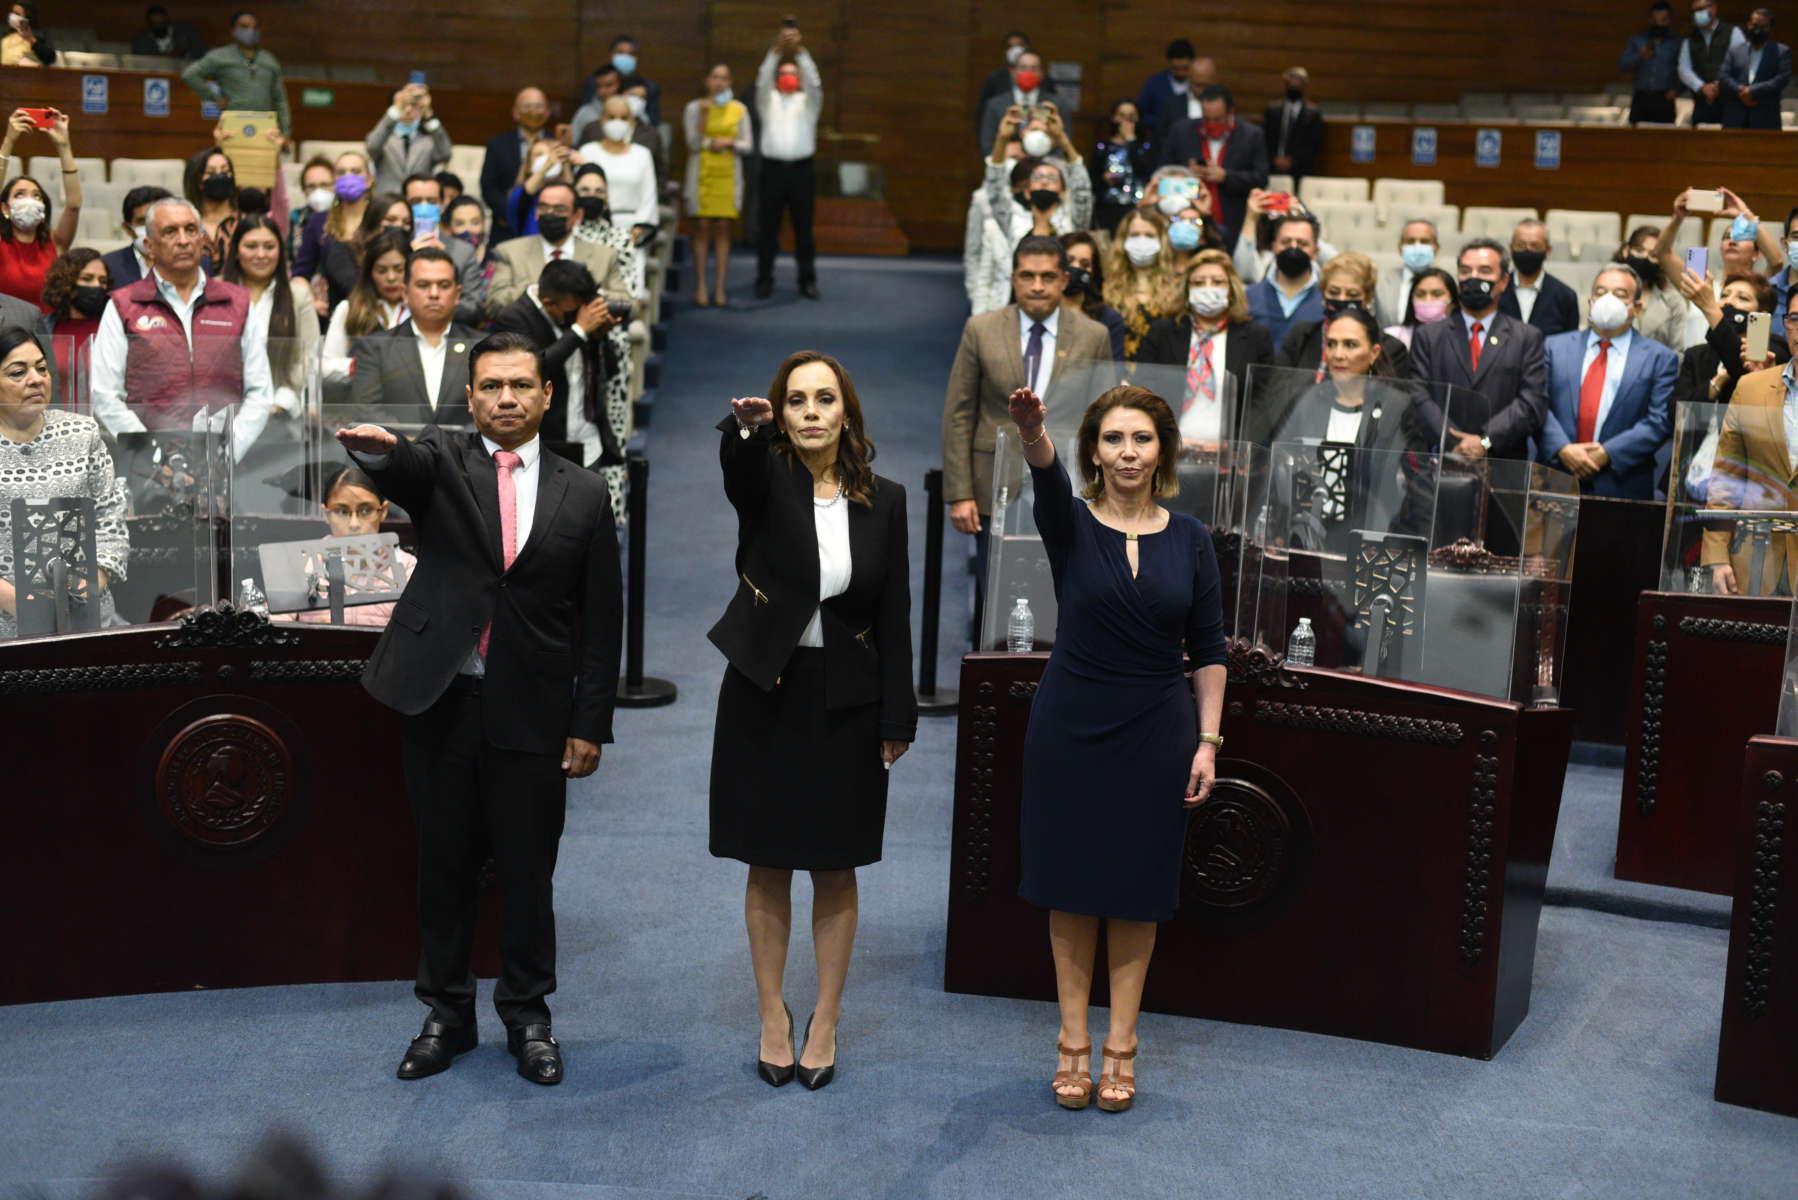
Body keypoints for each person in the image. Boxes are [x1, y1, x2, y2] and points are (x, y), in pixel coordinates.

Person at [335, 330, 624, 1087]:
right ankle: (447, 1015)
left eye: (520, 386)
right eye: (491, 386)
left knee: (530, 872)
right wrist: (376, 450)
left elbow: (602, 622)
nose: (505, 398)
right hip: (442, 697)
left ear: (546, 395)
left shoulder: (586, 491)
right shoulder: (442, 461)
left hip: (533, 707)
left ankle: (528, 1015)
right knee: (444, 866)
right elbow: (397, 466)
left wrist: (590, 723)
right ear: (471, 397)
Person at [1002, 379, 1227, 1114]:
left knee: (1136, 889)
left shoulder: (1192, 538)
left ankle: (1122, 1045)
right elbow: (1043, 471)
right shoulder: (1069, 523)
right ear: (1093, 451)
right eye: (1112, 439)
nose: (1127, 453)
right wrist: (1034, 430)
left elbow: (1210, 648)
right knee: (1069, 886)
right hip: (1071, 725)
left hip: (1157, 729)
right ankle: (1071, 1041)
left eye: (1141, 439)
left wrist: (1208, 741)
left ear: (1162, 450)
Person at [709, 350, 916, 1092]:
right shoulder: (766, 479)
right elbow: (737, 472)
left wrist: (900, 711)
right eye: (795, 401)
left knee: (836, 863)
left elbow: (895, 612)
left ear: (845, 412)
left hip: (847, 699)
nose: (809, 413)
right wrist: (742, 432)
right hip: (765, 688)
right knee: (767, 861)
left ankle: (825, 1018)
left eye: (823, 399)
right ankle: (772, 1015)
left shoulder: (886, 499)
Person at [943, 236, 1116, 638]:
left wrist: (1105, 495)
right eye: (1027, 275)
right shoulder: (981, 329)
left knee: (1065, 595)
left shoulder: (1093, 335)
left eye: (1047, 276)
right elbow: (959, 413)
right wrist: (960, 493)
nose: (1037, 284)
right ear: (1013, 278)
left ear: (1063, 280)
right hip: (994, 488)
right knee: (996, 597)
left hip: (1070, 487)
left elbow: (1105, 423)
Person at [90, 197, 275, 463]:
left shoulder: (237, 302)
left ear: (202, 239)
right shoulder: (123, 304)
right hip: (147, 465)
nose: (183, 240)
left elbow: (259, 392)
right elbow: (104, 393)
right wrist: (152, 454)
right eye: (170, 231)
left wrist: (228, 449)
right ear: (149, 246)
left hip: (222, 461)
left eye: (190, 230)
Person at [0, 327, 127, 640]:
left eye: (42, 368)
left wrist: (90, 584)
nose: (36, 379)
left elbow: (111, 517)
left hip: (82, 622)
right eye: (18, 372)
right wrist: (15, 601)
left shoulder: (82, 433)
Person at [1537, 265, 1679, 498]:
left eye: (1620, 294)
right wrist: (1563, 448)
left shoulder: (1660, 358)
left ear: (1638, 307)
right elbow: (1537, 405)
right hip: (1556, 477)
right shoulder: (1553, 347)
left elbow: (1659, 420)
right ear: (1590, 301)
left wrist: (1607, 453)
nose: (1608, 300)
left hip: (1623, 483)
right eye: (1600, 292)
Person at [1406, 238, 1549, 462]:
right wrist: (1454, 442)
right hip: (1441, 461)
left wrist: (1484, 441)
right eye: (1465, 271)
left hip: (1503, 464)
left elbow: (1531, 402)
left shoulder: (1526, 337)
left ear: (1503, 281)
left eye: (1484, 271)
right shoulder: (1429, 336)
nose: (1473, 277)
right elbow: (1417, 395)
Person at [1702, 288, 1798, 592]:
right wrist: (1716, 555)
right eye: (1795, 318)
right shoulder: (1751, 387)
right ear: (1785, 324)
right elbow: (1726, 479)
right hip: (1757, 560)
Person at [488, 259, 624, 468]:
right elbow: (531, 370)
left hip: (589, 441)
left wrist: (599, 336)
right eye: (571, 312)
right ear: (549, 302)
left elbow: (612, 371)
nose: (578, 316)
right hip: (543, 447)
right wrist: (579, 331)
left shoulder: (578, 316)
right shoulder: (513, 318)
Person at [1134, 248, 1277, 444]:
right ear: (1186, 289)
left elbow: (1262, 404)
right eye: (1198, 283)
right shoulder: (1162, 332)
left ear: (1231, 288)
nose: (1208, 288)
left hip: (1228, 457)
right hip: (1168, 451)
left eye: (1217, 282)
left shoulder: (1256, 337)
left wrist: (1232, 447)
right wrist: (1171, 441)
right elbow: (1142, 392)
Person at [349, 247, 479, 427]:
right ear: (405, 293)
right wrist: (414, 446)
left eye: (443, 285)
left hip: (464, 453)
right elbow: (367, 412)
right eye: (423, 285)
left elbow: (488, 410)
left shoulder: (481, 347)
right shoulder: (375, 347)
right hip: (397, 452)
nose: (434, 294)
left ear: (457, 294)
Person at [289, 465, 417, 627]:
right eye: (342, 512)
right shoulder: (301, 566)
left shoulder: (406, 567)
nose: (354, 524)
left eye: (366, 510)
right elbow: (278, 630)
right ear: (326, 514)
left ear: (382, 511)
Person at [486, 181, 635, 317]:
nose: (550, 214)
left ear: (577, 215)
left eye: (559, 209)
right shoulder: (510, 252)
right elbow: (493, 305)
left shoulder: (604, 255)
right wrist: (541, 290)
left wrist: (587, 295)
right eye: (543, 208)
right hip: (527, 340)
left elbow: (629, 306)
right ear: (536, 213)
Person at [754, 23, 824, 301]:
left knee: (804, 228)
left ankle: (807, 280)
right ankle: (763, 278)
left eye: (792, 73)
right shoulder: (766, 101)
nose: (787, 77)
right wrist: (775, 52)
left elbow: (815, 82)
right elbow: (761, 80)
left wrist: (800, 52)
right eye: (783, 73)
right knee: (767, 229)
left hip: (801, 171)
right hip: (771, 170)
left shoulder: (809, 103)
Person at [1654, 186, 1769, 346]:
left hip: (1741, 366)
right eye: (1726, 237)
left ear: (1758, 253)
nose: (1732, 241)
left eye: (1741, 236)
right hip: (1695, 366)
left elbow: (1776, 260)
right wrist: (1678, 218)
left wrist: (1746, 214)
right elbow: (1662, 253)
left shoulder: (1764, 287)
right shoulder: (1699, 283)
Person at [1158, 85, 1268, 249]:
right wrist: (1186, 174)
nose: (1211, 124)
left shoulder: (1251, 135)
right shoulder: (1181, 131)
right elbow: (1162, 172)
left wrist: (1226, 177)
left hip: (1233, 219)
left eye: (1217, 119)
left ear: (1231, 112)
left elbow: (1261, 179)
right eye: (1206, 119)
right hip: (1187, 220)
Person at [1274, 251, 1410, 381]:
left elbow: (1392, 398)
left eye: (1352, 294)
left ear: (1368, 298)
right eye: (1334, 292)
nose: (1342, 299)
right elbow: (1278, 390)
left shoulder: (1391, 348)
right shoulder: (1301, 336)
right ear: (1323, 293)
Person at [969, 156, 1079, 316]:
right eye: (1038, 177)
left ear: (1063, 192)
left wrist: (1065, 145)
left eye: (1051, 178)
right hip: (1007, 310)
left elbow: (1083, 194)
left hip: (1059, 314)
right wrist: (977, 317)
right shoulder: (1010, 226)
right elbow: (995, 194)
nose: (1044, 182)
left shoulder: (1071, 228)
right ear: (1026, 191)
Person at [1673, 267, 1788, 413]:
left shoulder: (1776, 348)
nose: (1729, 302)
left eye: (1743, 298)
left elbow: (1742, 365)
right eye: (1724, 295)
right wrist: (1718, 382)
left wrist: (1709, 307)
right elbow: (1676, 413)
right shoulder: (1696, 355)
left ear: (1762, 315)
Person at [0, 108, 81, 310]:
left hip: (47, 333)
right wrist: (9, 141)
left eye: (36, 196)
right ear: (5, 209)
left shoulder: (56, 242)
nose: (30, 200)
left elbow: (73, 205)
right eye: (20, 194)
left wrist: (64, 146)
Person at [685, 66, 751, 308]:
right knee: (702, 227)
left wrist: (730, 142)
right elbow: (692, 142)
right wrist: (704, 118)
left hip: (728, 174)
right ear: (707, 80)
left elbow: (748, 145)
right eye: (714, 77)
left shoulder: (739, 109)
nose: (719, 82)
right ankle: (701, 285)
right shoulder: (694, 107)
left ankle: (720, 287)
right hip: (702, 173)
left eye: (724, 78)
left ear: (730, 81)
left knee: (723, 227)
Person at [181, 11, 292, 139]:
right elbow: (190, 75)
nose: (250, 31)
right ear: (233, 31)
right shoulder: (220, 56)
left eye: (254, 27)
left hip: (265, 127)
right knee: (231, 159)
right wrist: (215, 98)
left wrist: (285, 133)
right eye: (244, 27)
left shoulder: (269, 60)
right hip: (233, 125)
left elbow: (280, 100)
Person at [320, 226, 410, 383]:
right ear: (369, 273)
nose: (391, 277)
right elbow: (325, 367)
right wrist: (365, 365)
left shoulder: (421, 310)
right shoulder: (349, 309)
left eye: (399, 269)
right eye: (381, 270)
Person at [293, 150, 373, 308]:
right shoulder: (318, 221)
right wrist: (309, 300)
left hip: (377, 306)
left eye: (356, 171)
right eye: (341, 172)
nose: (348, 177)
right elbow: (300, 274)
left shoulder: (381, 216)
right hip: (335, 311)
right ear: (335, 181)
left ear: (369, 180)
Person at [1102, 209, 1185, 360]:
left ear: (1162, 241)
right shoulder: (1105, 287)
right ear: (1123, 240)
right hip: (1113, 374)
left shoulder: (1178, 289)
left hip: (1158, 375)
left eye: (1150, 235)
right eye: (1134, 235)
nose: (1142, 241)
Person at [577, 96, 660, 245]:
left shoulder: (642, 154)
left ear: (632, 122)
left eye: (623, 118)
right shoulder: (587, 151)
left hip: (630, 230)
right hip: (591, 227)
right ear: (602, 120)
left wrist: (640, 228)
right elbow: (577, 190)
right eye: (611, 117)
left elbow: (649, 194)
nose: (617, 122)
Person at [480, 88, 552, 244]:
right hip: (505, 228)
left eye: (539, 106)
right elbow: (489, 188)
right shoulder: (497, 145)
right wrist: (513, 213)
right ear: (515, 112)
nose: (533, 111)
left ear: (547, 111)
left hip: (549, 227)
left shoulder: (557, 145)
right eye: (527, 106)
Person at [1245, 212, 1324, 349]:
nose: (1293, 248)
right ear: (1274, 247)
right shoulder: (1249, 297)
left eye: (1302, 243)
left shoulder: (1327, 300)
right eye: (1286, 242)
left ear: (1315, 251)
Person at [1496, 219, 1581, 337]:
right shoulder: (1496, 290)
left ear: (1548, 250)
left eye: (1535, 246)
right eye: (1521, 245)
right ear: (1511, 248)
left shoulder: (1565, 296)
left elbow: (1569, 346)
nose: (1527, 250)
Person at [36, 248, 109, 383]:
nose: (97, 286)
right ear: (66, 283)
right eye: (87, 279)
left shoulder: (114, 328)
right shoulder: (42, 328)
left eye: (103, 281)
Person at [367, 83, 451, 196]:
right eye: (403, 104)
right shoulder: (384, 139)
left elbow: (445, 154)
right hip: (387, 202)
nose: (408, 109)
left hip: (418, 202)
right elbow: (372, 147)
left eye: (413, 104)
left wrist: (428, 113)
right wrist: (396, 110)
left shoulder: (429, 141)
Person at [1615, 225, 1688, 349]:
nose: (1644, 258)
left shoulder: (1673, 301)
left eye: (1653, 255)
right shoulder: (1606, 290)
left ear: (1661, 260)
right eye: (1639, 251)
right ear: (1626, 250)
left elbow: (1677, 352)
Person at [1090, 99, 1155, 236]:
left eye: (1131, 116)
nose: (1126, 120)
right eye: (1122, 115)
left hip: (1137, 205)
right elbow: (1092, 178)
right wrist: (1103, 179)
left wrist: (1131, 140)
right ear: (1114, 118)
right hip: (1108, 206)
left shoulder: (1145, 146)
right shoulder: (1103, 147)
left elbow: (1145, 170)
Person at [1719, 7, 1792, 127]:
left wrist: (1752, 91)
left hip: (1766, 118)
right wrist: (1741, 91)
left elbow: (1781, 79)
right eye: (1755, 25)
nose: (1758, 30)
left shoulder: (1781, 51)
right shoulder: (1735, 50)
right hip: (1735, 118)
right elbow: (1723, 76)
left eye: (1763, 27)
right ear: (1748, 25)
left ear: (1770, 29)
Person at [1060, 232, 1127, 362]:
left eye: (1085, 264)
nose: (1076, 268)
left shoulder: (1109, 319)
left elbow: (1113, 372)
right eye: (1069, 261)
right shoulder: (1041, 312)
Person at [1681, 0, 1747, 123]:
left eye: (1702, 9)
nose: (1698, 13)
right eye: (1695, 11)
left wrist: (1718, 86)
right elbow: (1684, 69)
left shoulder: (1733, 32)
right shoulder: (1690, 39)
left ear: (1714, 8)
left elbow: (1741, 63)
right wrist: (1703, 87)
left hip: (1730, 102)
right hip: (1702, 102)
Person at [977, 48, 1053, 153]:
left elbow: (1064, 147)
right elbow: (986, 145)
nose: (1028, 73)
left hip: (1045, 164)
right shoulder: (995, 104)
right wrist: (1002, 150)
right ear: (1013, 72)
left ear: (1042, 73)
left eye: (1034, 68)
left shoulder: (1054, 105)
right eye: (1023, 68)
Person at [976, 32, 1058, 127]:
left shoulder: (1046, 81)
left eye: (1019, 45)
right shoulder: (994, 79)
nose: (1015, 49)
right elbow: (984, 114)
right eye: (1010, 46)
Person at [1621, 2, 1684, 124]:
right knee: (1635, 139)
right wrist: (1640, 55)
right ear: (1650, 20)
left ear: (1669, 21)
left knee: (1665, 139)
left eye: (1663, 20)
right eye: (1655, 20)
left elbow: (1685, 69)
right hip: (1641, 97)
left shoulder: (1677, 42)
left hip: (1664, 98)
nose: (1659, 24)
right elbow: (1623, 65)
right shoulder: (1637, 40)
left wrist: (1676, 89)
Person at [1374, 219, 1441, 328]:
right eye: (1410, 241)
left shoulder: (1447, 285)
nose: (1417, 247)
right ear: (1400, 248)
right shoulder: (1380, 283)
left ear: (1436, 248)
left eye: (1424, 241)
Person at [183, 147, 242, 272]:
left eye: (225, 171)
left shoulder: (243, 220)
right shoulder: (183, 223)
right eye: (211, 173)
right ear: (197, 181)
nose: (219, 176)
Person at [1263, 67, 1324, 185]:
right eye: (1292, 81)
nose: (1295, 84)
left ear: (1305, 85)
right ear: (1286, 83)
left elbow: (1314, 144)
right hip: (1271, 168)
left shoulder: (1313, 113)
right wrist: (1274, 159)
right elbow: (1265, 138)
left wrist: (1292, 161)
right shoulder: (1273, 110)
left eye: (1299, 81)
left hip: (1300, 170)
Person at [1383, 266, 1458, 351]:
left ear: (1453, 301)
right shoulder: (1392, 337)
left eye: (1437, 294)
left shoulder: (1465, 337)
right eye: (1420, 294)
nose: (1428, 300)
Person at [1135, 38, 1197, 134]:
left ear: (1192, 64)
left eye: (1185, 68)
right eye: (1175, 68)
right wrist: (1162, 121)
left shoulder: (1198, 84)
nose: (1180, 73)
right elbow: (1140, 114)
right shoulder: (1155, 83)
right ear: (1169, 63)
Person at [288, 156, 333, 258]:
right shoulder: (296, 217)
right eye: (312, 186)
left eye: (324, 185)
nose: (319, 191)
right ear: (304, 191)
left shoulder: (346, 216)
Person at [132, 6, 206, 59]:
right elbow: (142, 61)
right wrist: (177, 53)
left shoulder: (185, 33)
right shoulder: (141, 40)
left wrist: (186, 53)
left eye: (162, 23)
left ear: (168, 21)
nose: (159, 27)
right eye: (155, 24)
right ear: (149, 25)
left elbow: (201, 53)